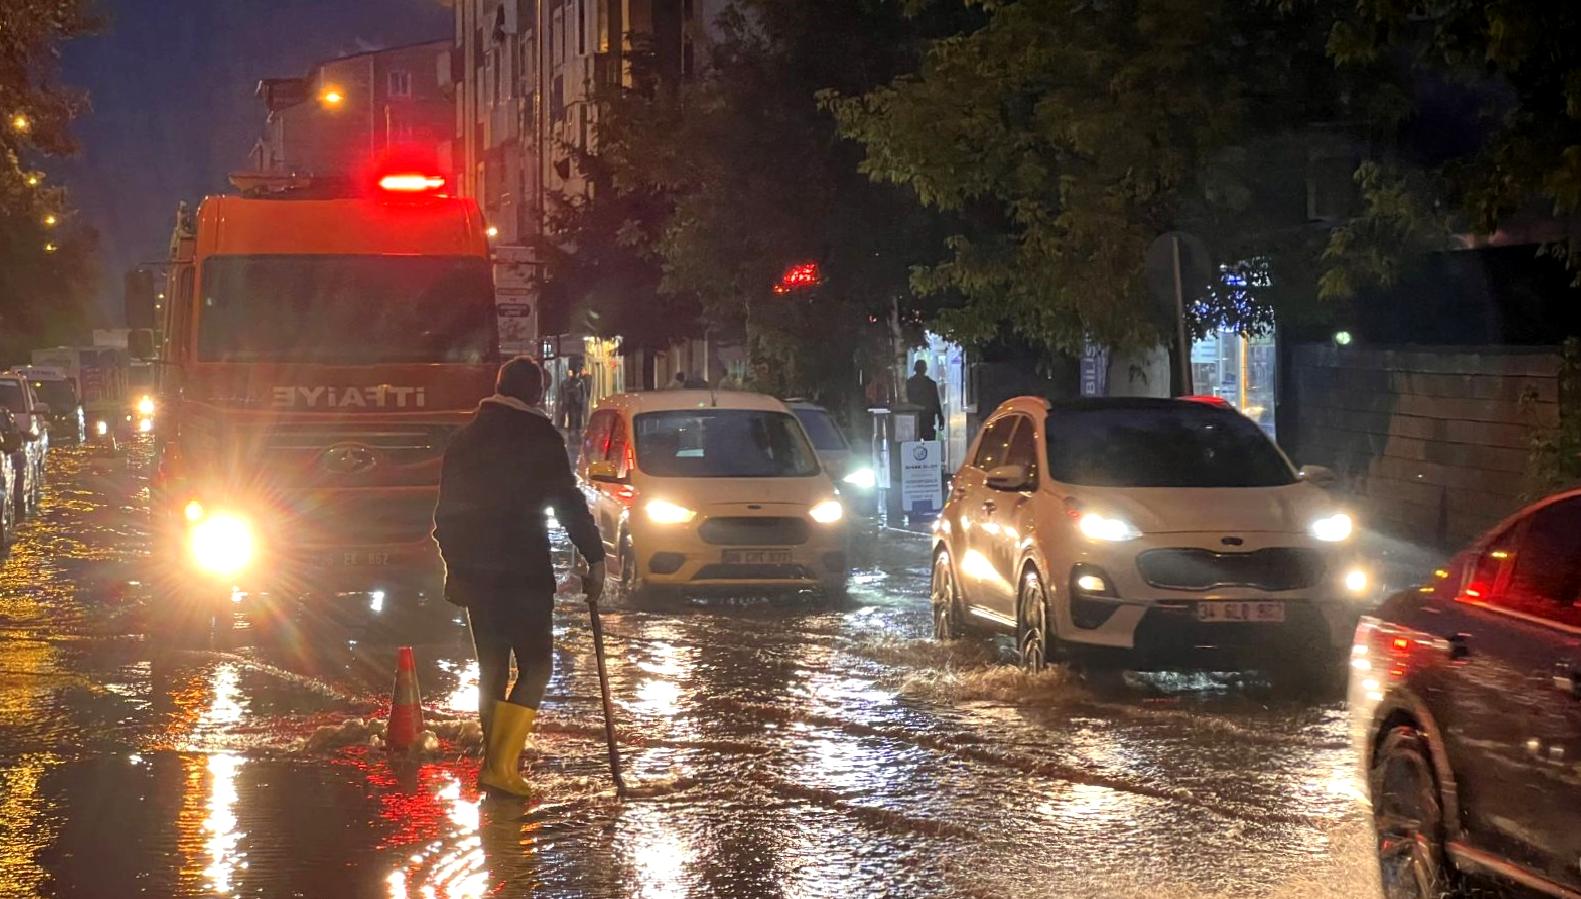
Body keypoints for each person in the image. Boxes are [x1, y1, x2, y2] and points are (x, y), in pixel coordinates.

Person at [433, 356, 607, 798]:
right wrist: (594, 556)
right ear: (535, 395)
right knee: (536, 667)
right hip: (524, 572)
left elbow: (445, 518)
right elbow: (566, 500)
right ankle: (500, 767)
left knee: (491, 668)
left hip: (477, 575)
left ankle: (495, 763)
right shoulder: (538, 436)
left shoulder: (464, 439)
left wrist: (457, 566)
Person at [906, 359, 945, 441]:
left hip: (913, 419)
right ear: (925, 369)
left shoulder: (909, 383)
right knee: (929, 444)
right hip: (928, 419)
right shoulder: (931, 384)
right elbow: (936, 402)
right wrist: (940, 417)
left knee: (913, 446)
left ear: (915, 369)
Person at [556, 359, 588, 434]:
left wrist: (582, 401)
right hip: (571, 401)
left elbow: (583, 393)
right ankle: (572, 428)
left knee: (577, 415)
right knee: (571, 415)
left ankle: (577, 428)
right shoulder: (567, 382)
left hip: (577, 401)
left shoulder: (580, 382)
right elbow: (563, 392)